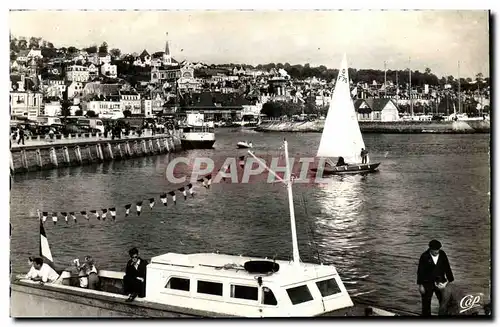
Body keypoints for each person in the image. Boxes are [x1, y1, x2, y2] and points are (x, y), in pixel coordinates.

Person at [417, 239, 454, 316]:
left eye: (438, 250)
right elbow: (420, 271)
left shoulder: (442, 254)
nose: (437, 252)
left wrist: (449, 281)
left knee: (444, 302)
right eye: (435, 251)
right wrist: (421, 285)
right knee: (426, 304)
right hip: (427, 283)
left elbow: (447, 268)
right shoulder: (424, 256)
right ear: (430, 249)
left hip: (440, 282)